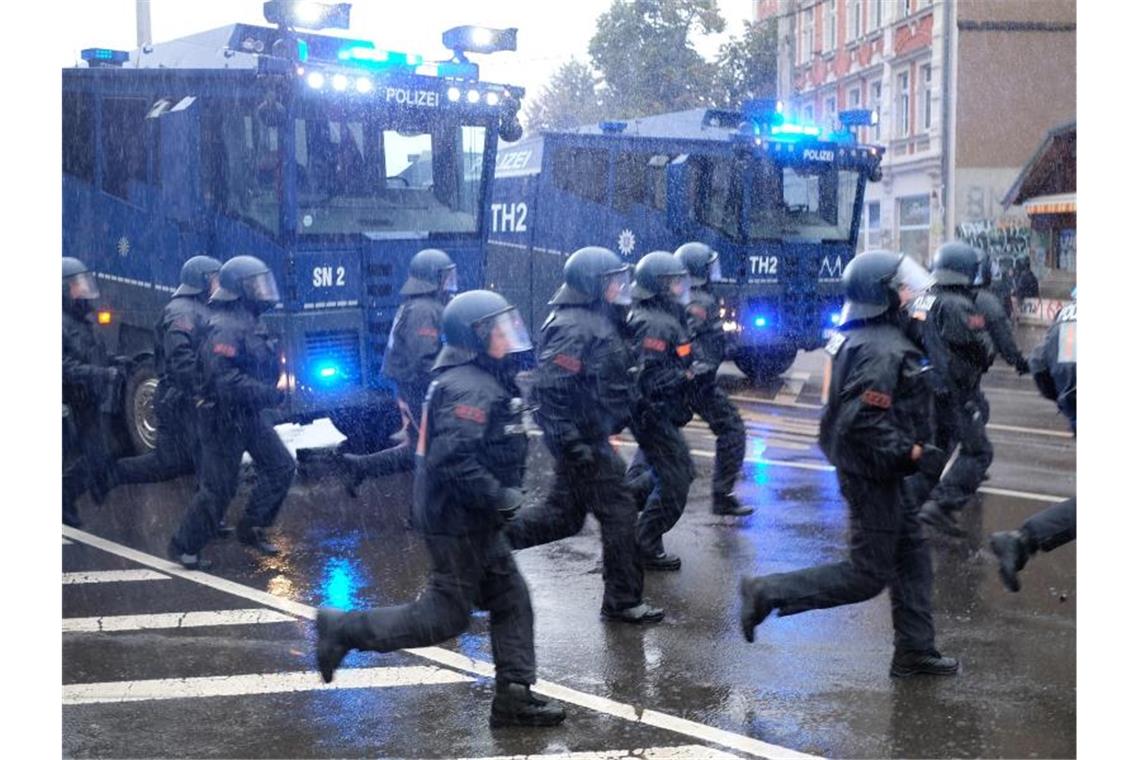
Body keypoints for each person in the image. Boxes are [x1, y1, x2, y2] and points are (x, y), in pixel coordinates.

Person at [315, 290, 566, 728]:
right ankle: (342, 630)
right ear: (474, 338)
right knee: (443, 616)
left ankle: (514, 694)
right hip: (458, 523)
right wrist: (496, 495)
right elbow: (452, 459)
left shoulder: (483, 378)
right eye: (498, 331)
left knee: (510, 597)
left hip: (471, 521)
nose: (509, 338)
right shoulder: (467, 385)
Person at [738, 250, 959, 678]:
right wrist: (911, 452)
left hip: (873, 469)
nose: (912, 294)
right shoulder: (881, 347)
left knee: (912, 554)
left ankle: (915, 649)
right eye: (903, 288)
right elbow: (863, 422)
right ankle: (765, 593)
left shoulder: (867, 335)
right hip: (873, 472)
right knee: (866, 574)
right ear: (882, 296)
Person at [506, 247, 664, 624]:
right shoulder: (574, 326)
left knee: (562, 517)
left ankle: (483, 545)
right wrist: (572, 443)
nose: (621, 288)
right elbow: (550, 392)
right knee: (620, 511)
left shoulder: (598, 319)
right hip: (583, 442)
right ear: (594, 285)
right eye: (613, 282)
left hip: (589, 437)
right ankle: (622, 600)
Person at [168, 256, 295, 569]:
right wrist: (269, 393)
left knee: (280, 466)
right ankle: (185, 545)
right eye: (257, 285)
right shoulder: (224, 325)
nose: (264, 291)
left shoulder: (250, 319)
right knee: (219, 487)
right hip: (222, 417)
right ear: (240, 289)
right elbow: (223, 381)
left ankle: (252, 527)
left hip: (247, 414)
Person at [341, 249, 456, 497]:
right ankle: (424, 513)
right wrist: (446, 385)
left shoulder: (422, 305)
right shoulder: (425, 309)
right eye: (445, 277)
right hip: (418, 388)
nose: (450, 283)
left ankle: (362, 466)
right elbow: (423, 358)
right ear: (432, 278)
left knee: (419, 445)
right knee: (432, 450)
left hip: (414, 386)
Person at [112, 256, 222, 489]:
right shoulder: (181, 313)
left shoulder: (199, 308)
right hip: (180, 400)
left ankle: (209, 514)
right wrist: (204, 388)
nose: (218, 285)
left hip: (185, 397)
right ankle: (109, 474)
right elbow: (181, 361)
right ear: (200, 282)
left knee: (202, 459)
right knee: (168, 463)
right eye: (214, 280)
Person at [989, 297, 1076, 591]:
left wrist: (1070, 406)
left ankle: (1023, 541)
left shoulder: (1069, 316)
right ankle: (1022, 541)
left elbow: (1040, 368)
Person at [911, 242, 995, 537]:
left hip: (930, 388)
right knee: (978, 452)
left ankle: (910, 505)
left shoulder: (923, 301)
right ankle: (942, 504)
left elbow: (911, 339)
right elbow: (982, 348)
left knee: (936, 449)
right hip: (956, 389)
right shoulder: (960, 306)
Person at [625, 251, 698, 571]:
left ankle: (621, 506)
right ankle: (645, 543)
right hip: (654, 414)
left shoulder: (664, 317)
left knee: (652, 473)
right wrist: (685, 376)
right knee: (676, 481)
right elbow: (649, 376)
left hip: (659, 413)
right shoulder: (654, 323)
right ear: (658, 286)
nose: (679, 288)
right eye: (672, 282)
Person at [674, 242, 751, 517]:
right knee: (732, 429)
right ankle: (722, 496)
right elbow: (686, 340)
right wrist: (697, 367)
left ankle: (635, 491)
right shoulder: (699, 301)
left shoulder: (689, 295)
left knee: (659, 439)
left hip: (693, 382)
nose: (714, 272)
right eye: (710, 267)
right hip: (697, 384)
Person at [62, 258, 120, 528]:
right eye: (76, 285)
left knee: (98, 454)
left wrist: (117, 364)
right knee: (85, 454)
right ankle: (63, 498)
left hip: (87, 399)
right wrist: (100, 374)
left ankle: (70, 496)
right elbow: (65, 367)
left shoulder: (82, 320)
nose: (83, 290)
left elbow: (92, 354)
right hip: (70, 401)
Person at [972, 249, 1031, 376]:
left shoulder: (928, 299)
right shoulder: (985, 301)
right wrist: (1019, 362)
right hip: (962, 379)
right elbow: (1003, 337)